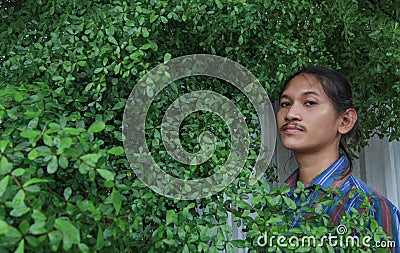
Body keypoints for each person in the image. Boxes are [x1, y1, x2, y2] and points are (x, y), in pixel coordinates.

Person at [277, 66, 400, 252]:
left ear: (345, 121)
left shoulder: (369, 207)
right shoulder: (278, 202)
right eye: (285, 103)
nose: (290, 114)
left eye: (309, 102)